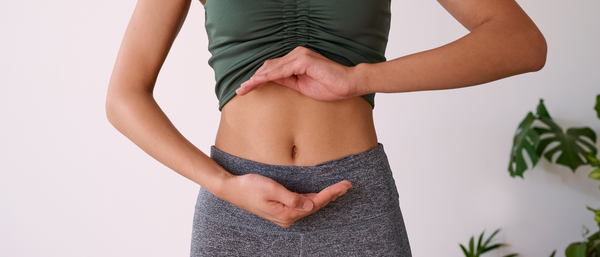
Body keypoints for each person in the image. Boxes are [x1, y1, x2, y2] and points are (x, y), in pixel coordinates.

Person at [106, 0, 546, 255]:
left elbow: (521, 43)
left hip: (356, 199)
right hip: (236, 207)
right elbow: (124, 95)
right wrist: (222, 184)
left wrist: (361, 79)